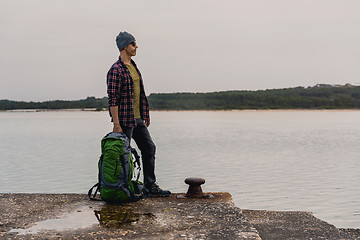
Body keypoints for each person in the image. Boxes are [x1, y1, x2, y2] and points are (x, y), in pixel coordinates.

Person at [106, 31, 170, 197]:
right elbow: (113, 99)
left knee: (149, 147)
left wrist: (145, 115)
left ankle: (150, 186)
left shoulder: (133, 66)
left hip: (137, 119)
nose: (136, 47)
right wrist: (116, 125)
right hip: (125, 121)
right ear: (124, 46)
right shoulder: (116, 70)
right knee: (123, 156)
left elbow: (140, 93)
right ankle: (122, 188)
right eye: (133, 44)